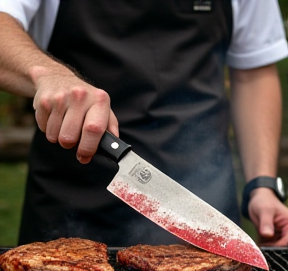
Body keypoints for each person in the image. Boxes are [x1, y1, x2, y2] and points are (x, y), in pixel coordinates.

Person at [0, 0, 288, 247]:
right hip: (71, 211)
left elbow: (254, 70)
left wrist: (262, 185)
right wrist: (50, 75)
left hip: (204, 213)